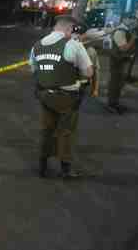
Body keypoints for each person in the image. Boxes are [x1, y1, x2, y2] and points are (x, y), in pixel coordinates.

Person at [30, 15, 93, 178]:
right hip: (67, 97)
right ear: (70, 28)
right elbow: (89, 72)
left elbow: (34, 68)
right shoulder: (73, 45)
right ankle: (66, 168)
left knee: (46, 130)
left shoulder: (37, 46)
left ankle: (42, 166)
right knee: (66, 131)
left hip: (44, 95)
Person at [107, 14, 137, 114]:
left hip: (120, 60)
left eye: (133, 19)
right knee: (115, 83)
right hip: (117, 61)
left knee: (119, 83)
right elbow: (123, 48)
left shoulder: (126, 30)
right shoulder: (120, 31)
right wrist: (133, 39)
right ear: (124, 19)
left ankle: (115, 103)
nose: (133, 21)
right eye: (131, 19)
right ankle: (112, 105)